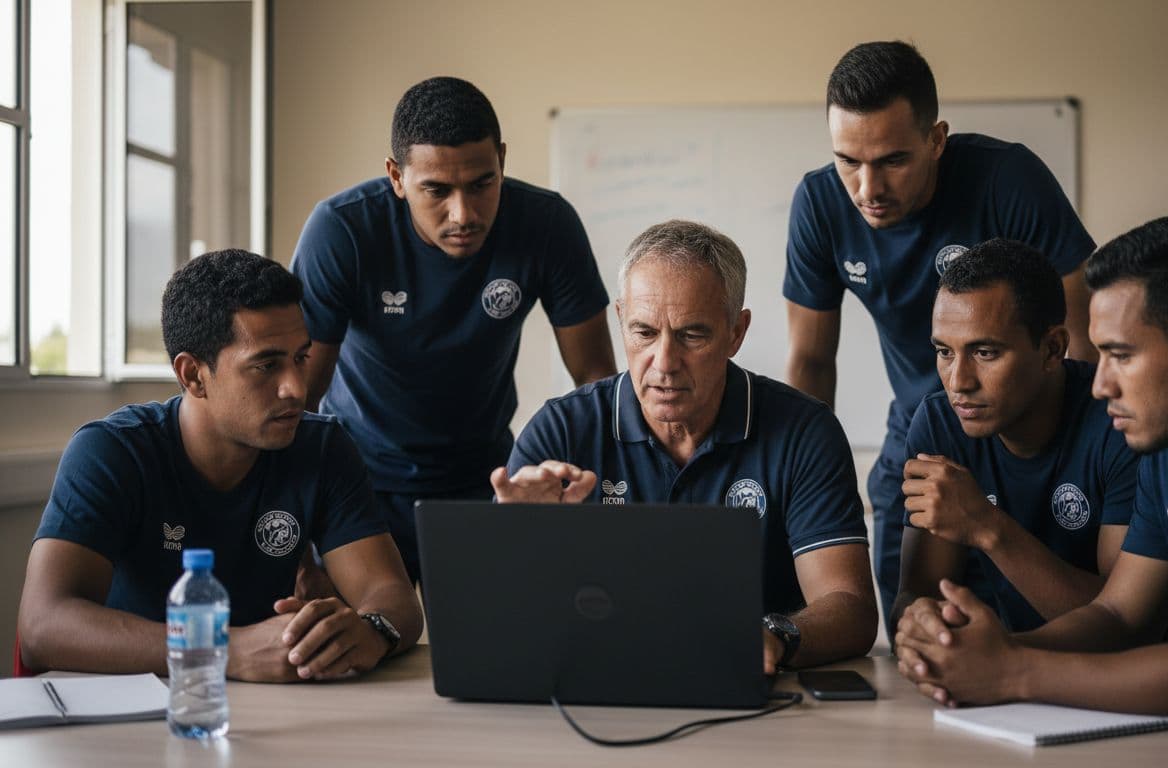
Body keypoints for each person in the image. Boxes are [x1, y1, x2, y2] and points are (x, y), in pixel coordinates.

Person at [893, 216, 1168, 766]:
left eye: (1121, 356)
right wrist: (981, 652)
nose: (1101, 384)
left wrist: (1014, 670)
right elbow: (1120, 618)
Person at [782, 41, 1097, 614]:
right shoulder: (820, 204)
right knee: (913, 626)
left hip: (1031, 436)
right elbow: (810, 362)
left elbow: (1080, 334)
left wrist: (1084, 455)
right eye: (848, 160)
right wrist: (805, 487)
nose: (868, 189)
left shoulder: (1008, 179)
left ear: (936, 139)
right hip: (918, 429)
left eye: (893, 160)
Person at [18, 250, 423, 683]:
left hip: (268, 712)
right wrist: (221, 650)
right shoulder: (111, 452)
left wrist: (369, 630)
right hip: (133, 712)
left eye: (300, 358)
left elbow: (392, 597)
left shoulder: (323, 448)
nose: (296, 388)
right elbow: (42, 627)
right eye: (266, 365)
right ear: (193, 375)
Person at [492, 220, 877, 674]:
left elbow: (849, 607)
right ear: (620, 320)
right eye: (644, 332)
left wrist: (776, 636)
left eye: (692, 335)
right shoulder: (562, 431)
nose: (665, 363)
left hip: (754, 687)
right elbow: (499, 616)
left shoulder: (804, 432)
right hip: (596, 682)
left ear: (737, 332)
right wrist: (516, 539)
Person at [290, 76, 615, 583]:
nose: (463, 214)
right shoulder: (342, 231)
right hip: (359, 483)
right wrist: (299, 522)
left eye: (482, 184)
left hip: (485, 481)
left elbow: (596, 380)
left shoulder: (546, 224)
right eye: (436, 191)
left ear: (502, 160)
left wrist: (597, 496)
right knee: (356, 646)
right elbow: (299, 396)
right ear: (397, 177)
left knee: (496, 649)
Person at [891, 238, 1136, 636]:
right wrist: (928, 632)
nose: (959, 383)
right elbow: (917, 597)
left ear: (1053, 348)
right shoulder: (940, 422)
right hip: (1008, 676)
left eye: (985, 352)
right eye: (944, 352)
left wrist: (988, 527)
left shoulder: (1119, 420)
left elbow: (1123, 624)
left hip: (1128, 687)